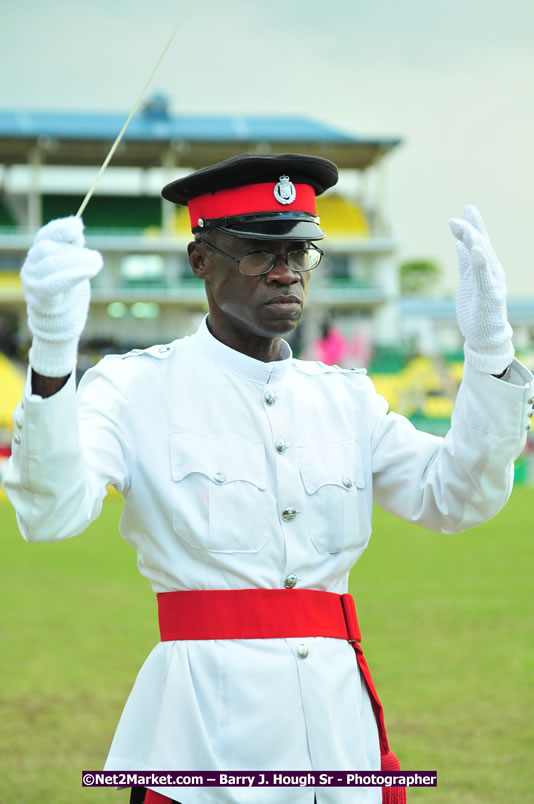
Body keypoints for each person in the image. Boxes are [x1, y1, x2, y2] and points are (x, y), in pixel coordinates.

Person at [4, 153, 534, 804]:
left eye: (299, 252)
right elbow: (50, 513)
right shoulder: (138, 385)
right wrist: (54, 355)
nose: (285, 272)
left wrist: (490, 353)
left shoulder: (346, 397)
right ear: (201, 260)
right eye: (259, 253)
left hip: (339, 740)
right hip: (204, 744)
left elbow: (459, 496)